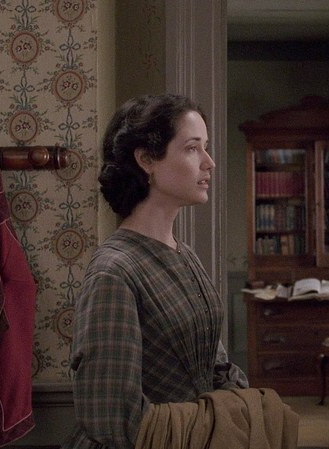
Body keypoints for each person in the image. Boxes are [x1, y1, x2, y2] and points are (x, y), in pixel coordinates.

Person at [63, 94, 250, 449]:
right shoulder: (114, 272)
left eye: (206, 147)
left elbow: (214, 364)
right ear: (146, 159)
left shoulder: (185, 255)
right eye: (192, 148)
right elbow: (112, 416)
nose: (209, 162)